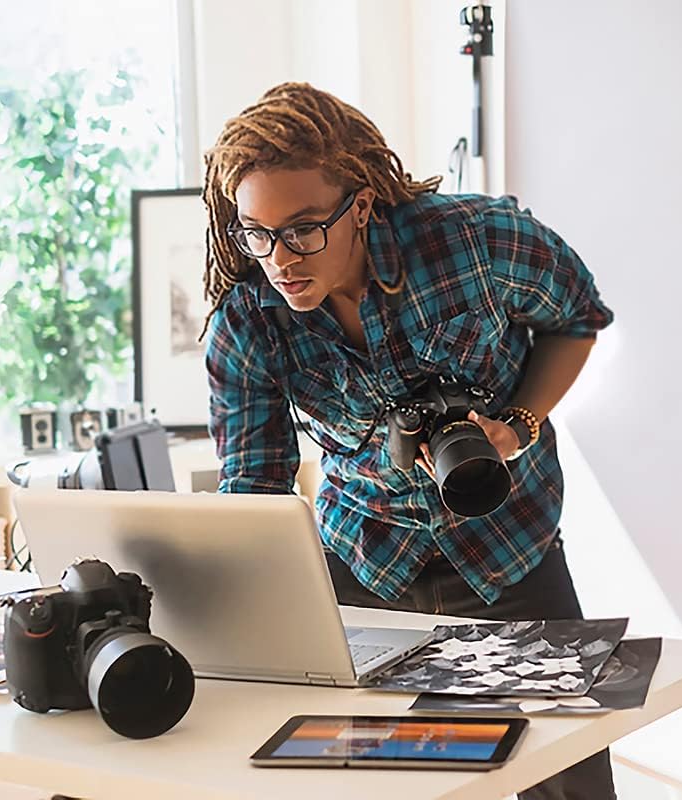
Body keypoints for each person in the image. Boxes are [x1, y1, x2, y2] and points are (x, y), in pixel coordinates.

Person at [202, 82, 615, 799]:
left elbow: (577, 318)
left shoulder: (476, 242)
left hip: (508, 543)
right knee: (373, 779)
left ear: (360, 204)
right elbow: (254, 495)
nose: (280, 259)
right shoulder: (248, 323)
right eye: (256, 233)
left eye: (302, 229)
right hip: (364, 557)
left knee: (567, 778)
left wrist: (518, 425)